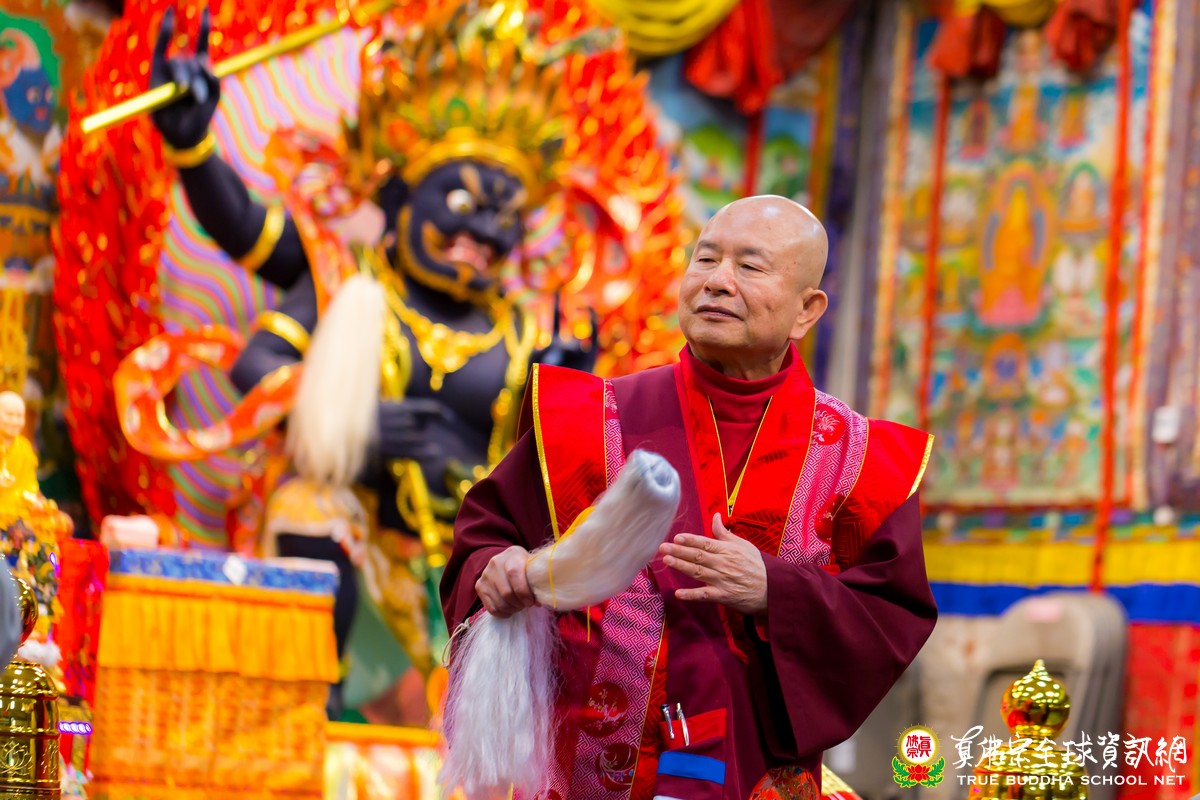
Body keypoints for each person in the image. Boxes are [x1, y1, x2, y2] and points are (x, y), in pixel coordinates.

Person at [442, 195, 938, 799]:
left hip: (751, 775)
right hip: (583, 772)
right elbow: (485, 536)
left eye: (749, 266)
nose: (717, 281)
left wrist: (776, 592)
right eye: (705, 259)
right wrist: (495, 566)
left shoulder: (865, 463)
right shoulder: (585, 418)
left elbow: (888, 617)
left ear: (806, 311)